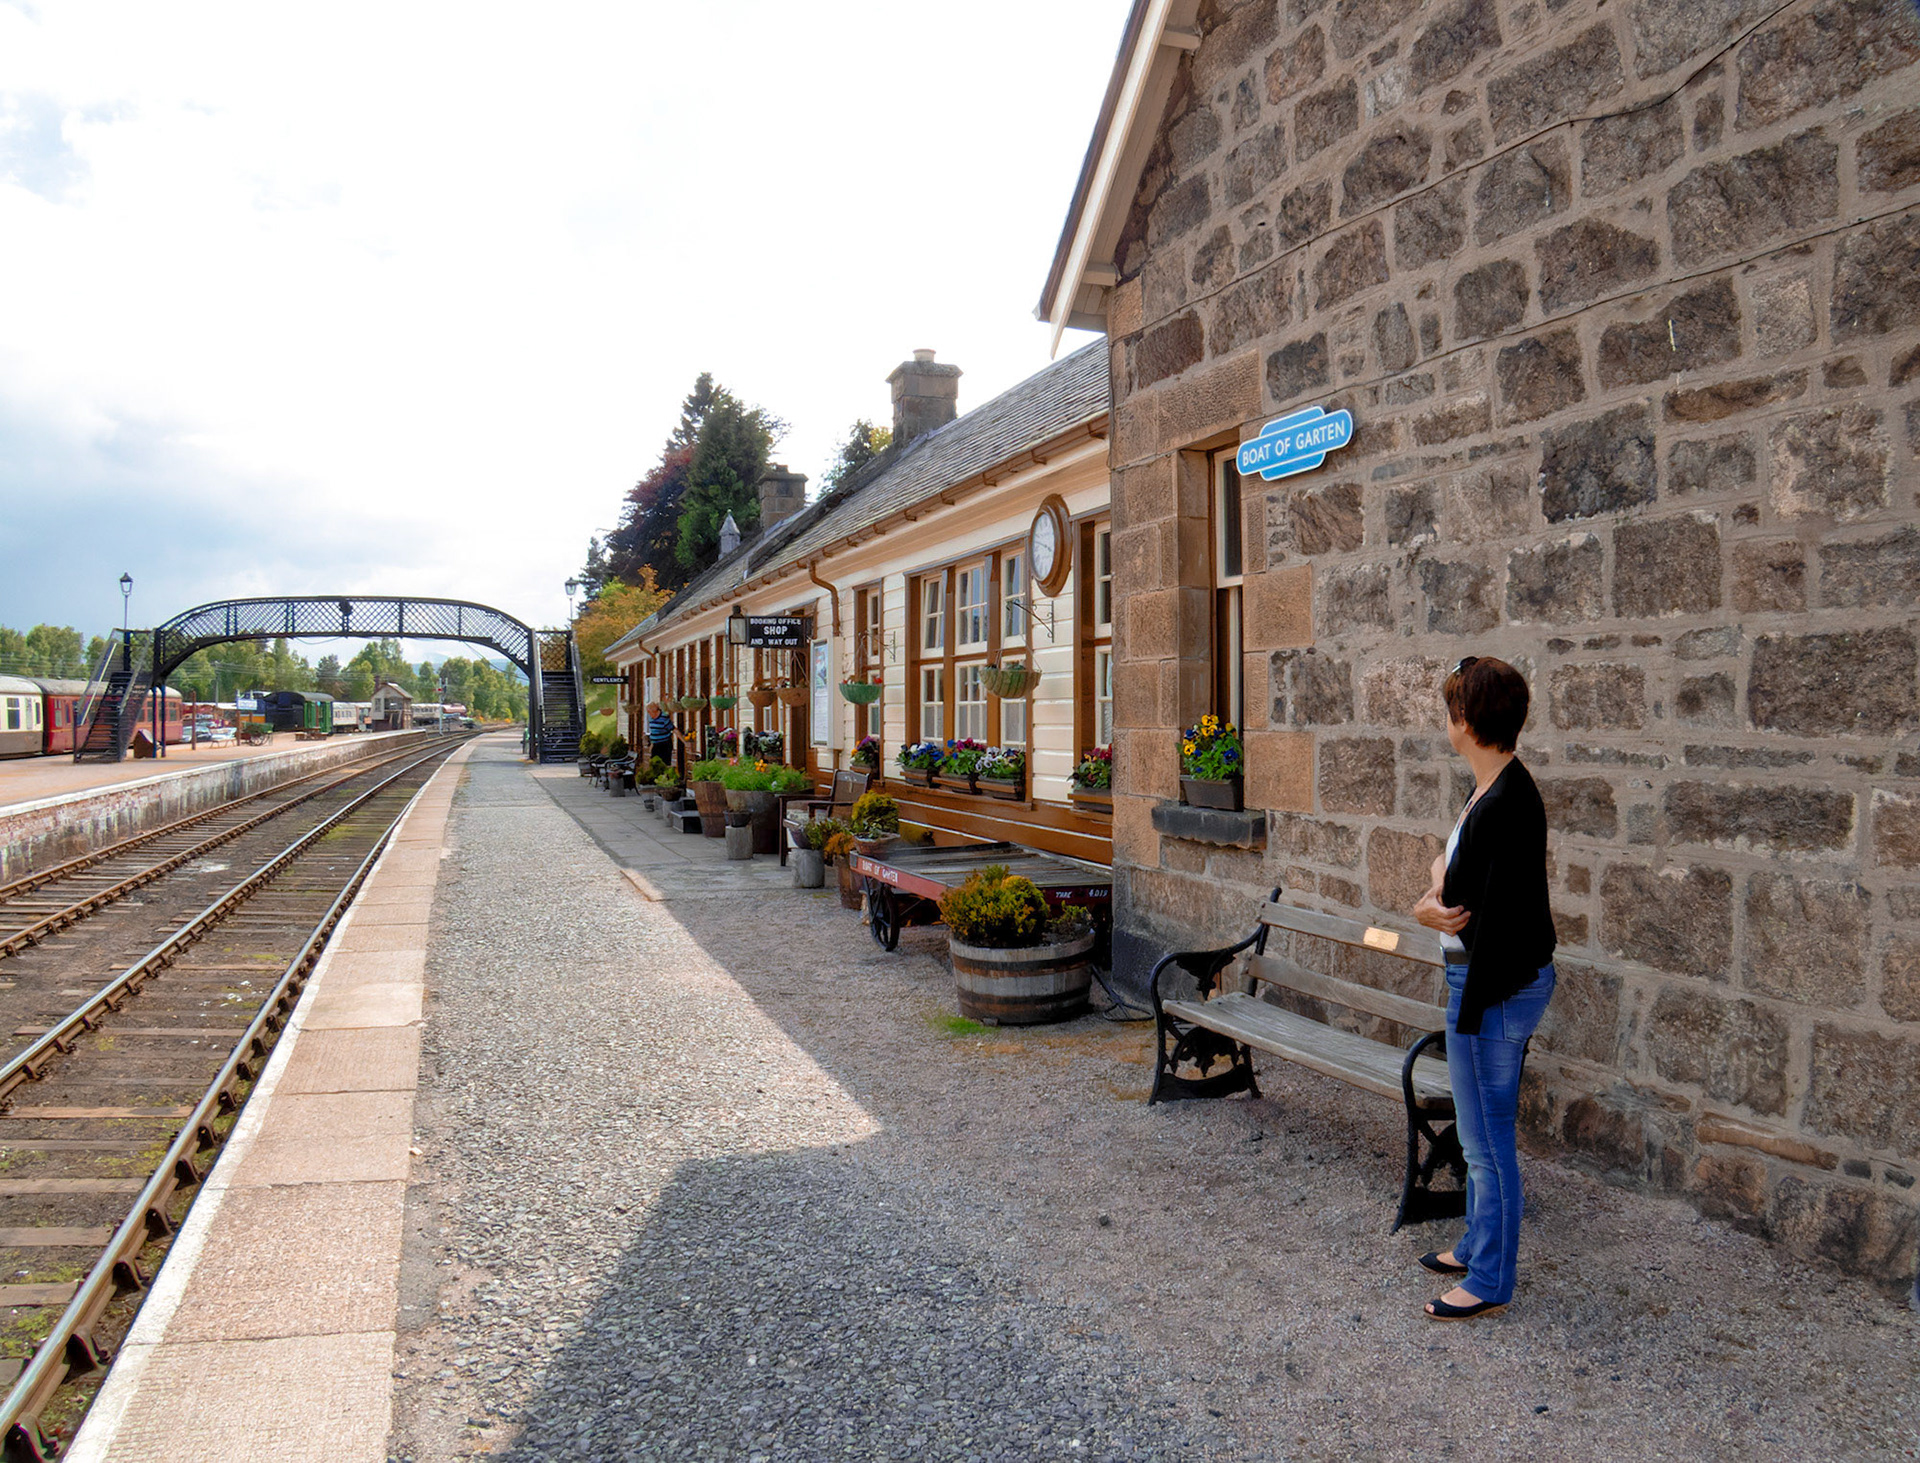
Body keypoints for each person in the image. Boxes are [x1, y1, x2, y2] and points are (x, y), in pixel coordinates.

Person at [1411, 656, 1557, 1322]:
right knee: (1477, 1139)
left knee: (1488, 1140)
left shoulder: (1505, 802)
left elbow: (1475, 913)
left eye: (1450, 711)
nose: (1448, 721)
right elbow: (1456, 874)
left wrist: (1427, 908)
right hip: (1482, 976)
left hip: (1490, 984)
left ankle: (1492, 1277)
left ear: (1467, 721)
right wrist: (1437, 886)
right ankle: (1476, 1243)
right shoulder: (1495, 787)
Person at [645, 702, 675, 771]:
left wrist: (684, 741)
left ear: (655, 711)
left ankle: (664, 780)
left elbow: (674, 729)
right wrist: (651, 744)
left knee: (664, 765)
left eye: (649, 712)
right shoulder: (651, 719)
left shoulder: (664, 718)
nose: (649, 714)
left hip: (665, 745)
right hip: (655, 745)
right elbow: (653, 732)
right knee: (654, 765)